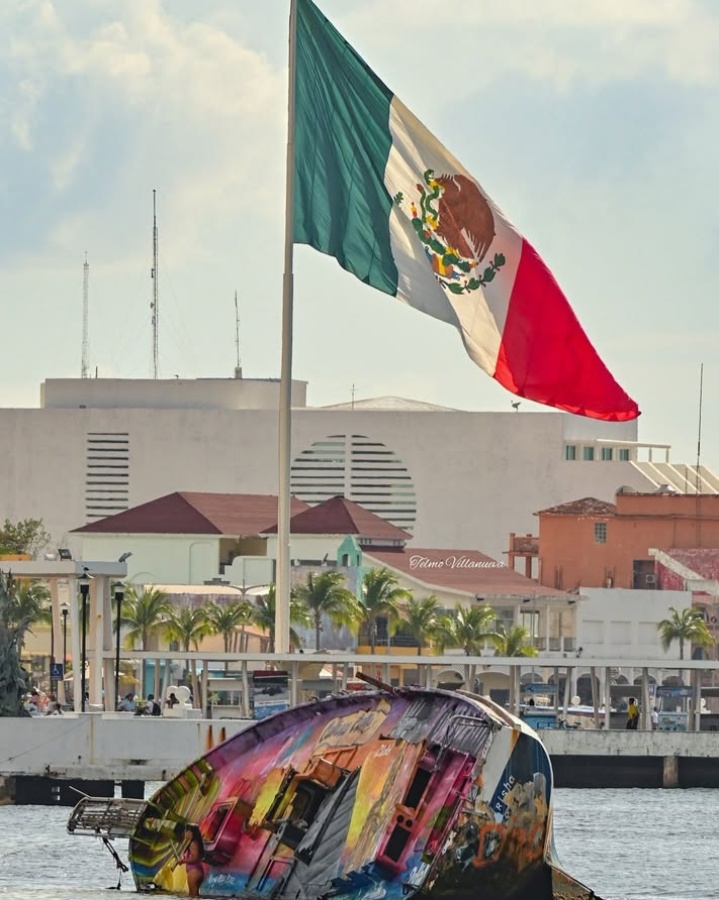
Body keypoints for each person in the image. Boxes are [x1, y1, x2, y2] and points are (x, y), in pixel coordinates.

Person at [181, 824, 205, 897]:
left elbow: (195, 858)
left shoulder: (193, 843)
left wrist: (182, 861)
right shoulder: (194, 843)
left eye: (186, 831)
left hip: (194, 872)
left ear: (190, 832)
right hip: (196, 871)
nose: (185, 833)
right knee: (193, 894)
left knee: (193, 895)